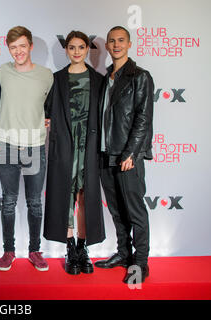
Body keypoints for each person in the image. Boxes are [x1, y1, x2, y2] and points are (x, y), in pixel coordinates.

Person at [94, 26, 154, 284]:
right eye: (112, 41)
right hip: (106, 154)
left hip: (127, 155)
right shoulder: (106, 77)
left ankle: (140, 263)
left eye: (121, 40)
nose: (116, 45)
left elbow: (143, 118)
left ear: (129, 44)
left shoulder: (139, 76)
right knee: (117, 212)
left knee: (135, 211)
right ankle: (123, 253)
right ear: (106, 46)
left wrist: (132, 152)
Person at [43, 30, 105, 275]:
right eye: (72, 47)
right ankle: (70, 249)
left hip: (89, 147)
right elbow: (46, 110)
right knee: (65, 197)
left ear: (87, 49)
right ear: (66, 49)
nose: (77, 51)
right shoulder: (56, 79)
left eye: (81, 47)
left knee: (85, 197)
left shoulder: (99, 80)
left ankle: (83, 248)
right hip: (64, 146)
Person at [0, 26, 53, 272]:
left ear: (30, 46)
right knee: (8, 202)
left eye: (22, 46)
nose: (18, 51)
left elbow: (52, 106)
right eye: (13, 47)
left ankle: (34, 250)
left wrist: (48, 118)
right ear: (9, 49)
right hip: (7, 145)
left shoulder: (46, 75)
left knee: (34, 203)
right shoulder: (2, 72)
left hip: (35, 145)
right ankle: (8, 250)